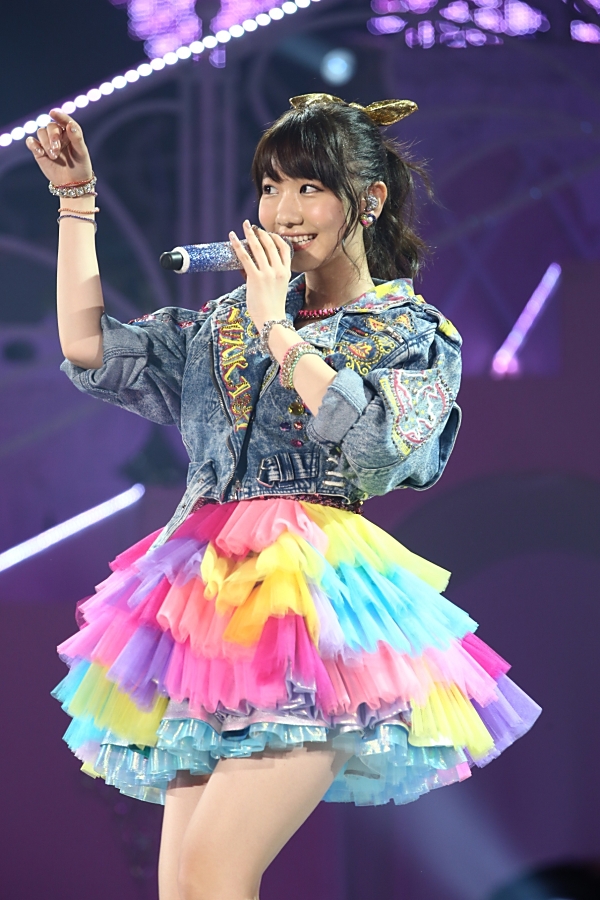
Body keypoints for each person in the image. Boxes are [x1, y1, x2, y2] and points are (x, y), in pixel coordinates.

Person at [27, 93, 541, 900]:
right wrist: (75, 201)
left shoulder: (410, 333)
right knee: (183, 886)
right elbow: (89, 346)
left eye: (310, 188)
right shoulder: (222, 322)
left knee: (214, 871)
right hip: (206, 604)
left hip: (311, 610)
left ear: (368, 201)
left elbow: (379, 448)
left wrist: (279, 330)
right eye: (270, 187)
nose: (284, 211)